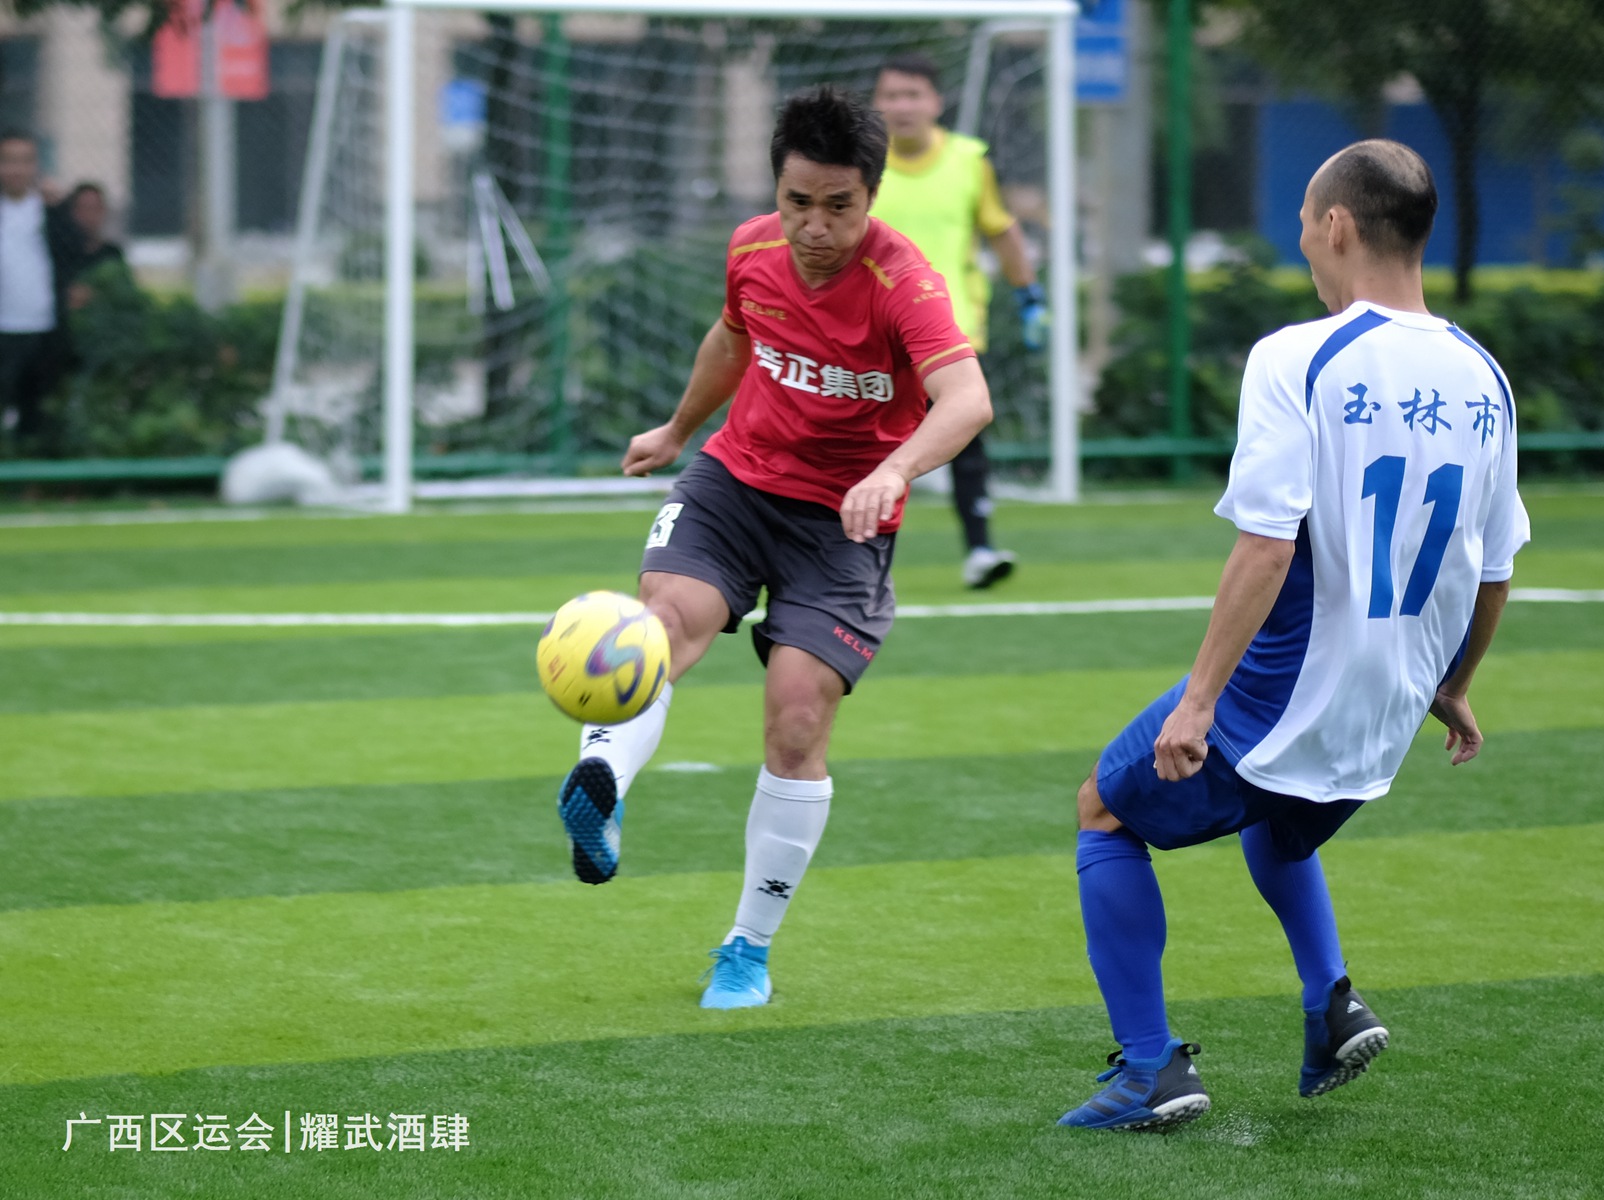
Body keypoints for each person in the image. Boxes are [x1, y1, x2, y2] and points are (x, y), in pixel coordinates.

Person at [1057, 139, 1530, 1131]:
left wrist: (1196, 702)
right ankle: (1330, 1004)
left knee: (1105, 806)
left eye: (1307, 225)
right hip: (1388, 711)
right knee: (1279, 819)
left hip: (1286, 694)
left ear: (1338, 226)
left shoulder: (1296, 357)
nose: (1306, 244)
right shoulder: (1485, 376)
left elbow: (1266, 550)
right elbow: (1493, 565)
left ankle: (1149, 1067)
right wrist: (1454, 684)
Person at [556, 85, 991, 1010]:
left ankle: (745, 949)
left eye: (839, 206)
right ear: (776, 191)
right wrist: (677, 431)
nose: (815, 226)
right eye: (799, 202)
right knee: (663, 625)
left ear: (871, 198)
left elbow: (967, 400)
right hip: (735, 482)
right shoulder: (752, 246)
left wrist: (897, 470)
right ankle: (603, 778)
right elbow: (733, 336)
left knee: (797, 716)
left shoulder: (904, 282)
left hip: (843, 522)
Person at [869, 52, 1045, 589]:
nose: (902, 106)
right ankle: (852, 554)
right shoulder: (862, 161)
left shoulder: (970, 161)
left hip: (952, 330)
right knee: (865, 446)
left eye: (912, 95)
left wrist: (1029, 296)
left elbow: (1002, 230)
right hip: (870, 334)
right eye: (892, 96)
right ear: (878, 104)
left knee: (966, 442)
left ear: (935, 102)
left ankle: (981, 550)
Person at [0, 130, 75, 456]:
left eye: (25, 161)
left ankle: (35, 478)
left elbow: (72, 254)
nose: (16, 170)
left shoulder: (50, 213)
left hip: (43, 326)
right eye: (8, 161)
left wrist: (58, 207)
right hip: (4, 326)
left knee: (40, 408)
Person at [58, 182, 129, 313]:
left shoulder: (112, 254)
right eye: (84, 208)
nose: (90, 216)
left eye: (96, 208)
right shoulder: (61, 254)